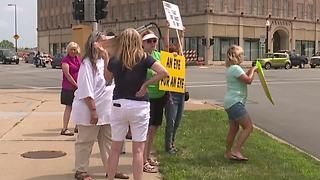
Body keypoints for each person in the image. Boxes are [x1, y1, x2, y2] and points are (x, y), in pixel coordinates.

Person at [98, 28, 168, 180]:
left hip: (119, 104)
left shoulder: (116, 59)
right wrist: (145, 85)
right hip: (139, 105)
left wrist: (105, 58)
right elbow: (164, 72)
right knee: (138, 150)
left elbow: (107, 78)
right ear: (138, 41)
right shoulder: (144, 57)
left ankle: (109, 177)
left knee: (115, 148)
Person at [71, 32, 128, 180]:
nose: (108, 44)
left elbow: (109, 81)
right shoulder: (87, 64)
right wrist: (93, 110)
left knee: (108, 142)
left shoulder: (107, 61)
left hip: (107, 110)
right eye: (104, 41)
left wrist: (107, 56)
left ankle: (111, 169)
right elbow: (86, 89)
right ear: (95, 44)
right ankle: (81, 170)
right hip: (90, 110)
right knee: (85, 141)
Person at [223, 45, 257, 161]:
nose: (243, 56)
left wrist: (251, 70)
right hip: (235, 103)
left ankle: (228, 153)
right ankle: (236, 150)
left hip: (230, 103)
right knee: (248, 127)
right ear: (236, 56)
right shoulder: (236, 68)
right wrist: (253, 70)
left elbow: (244, 76)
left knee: (234, 129)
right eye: (241, 54)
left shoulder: (232, 69)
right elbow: (248, 80)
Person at [141, 29, 167, 173]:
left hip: (160, 96)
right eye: (148, 41)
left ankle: (147, 155)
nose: (152, 43)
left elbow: (170, 68)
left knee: (154, 129)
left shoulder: (159, 55)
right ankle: (143, 160)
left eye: (154, 40)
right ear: (142, 43)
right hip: (147, 98)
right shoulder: (141, 57)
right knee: (146, 130)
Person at [163, 24, 186, 154]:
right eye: (174, 53)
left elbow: (181, 49)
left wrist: (181, 35)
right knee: (170, 121)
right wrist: (167, 29)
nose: (177, 54)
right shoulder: (167, 61)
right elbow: (166, 46)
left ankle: (172, 142)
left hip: (180, 94)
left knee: (177, 121)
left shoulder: (181, 61)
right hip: (170, 94)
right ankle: (168, 146)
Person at [60, 42, 81, 136]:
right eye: (71, 49)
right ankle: (64, 128)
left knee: (79, 107)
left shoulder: (78, 59)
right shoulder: (65, 61)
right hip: (68, 88)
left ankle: (77, 126)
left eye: (75, 49)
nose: (73, 51)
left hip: (78, 87)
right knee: (69, 107)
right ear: (68, 50)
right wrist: (76, 84)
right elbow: (67, 75)